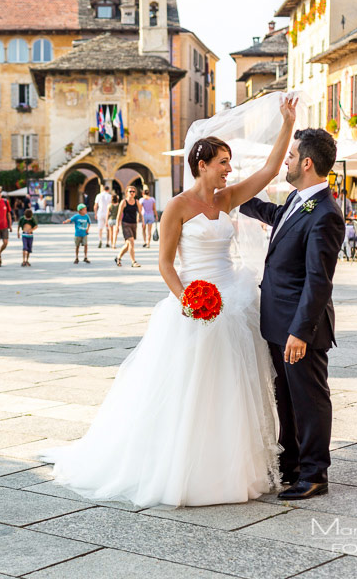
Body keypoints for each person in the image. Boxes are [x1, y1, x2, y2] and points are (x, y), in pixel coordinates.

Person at [41, 95, 298, 508]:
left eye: (229, 163)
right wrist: (188, 300)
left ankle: (231, 468)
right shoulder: (177, 206)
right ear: (202, 165)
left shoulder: (228, 199)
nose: (229, 169)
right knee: (189, 388)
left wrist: (287, 123)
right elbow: (164, 264)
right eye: (223, 162)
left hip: (233, 298)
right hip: (194, 305)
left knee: (233, 388)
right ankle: (182, 467)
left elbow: (269, 170)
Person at [239, 127, 344, 501]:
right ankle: (292, 464)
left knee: (310, 400)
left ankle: (315, 474)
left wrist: (300, 331)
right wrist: (235, 195)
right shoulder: (299, 201)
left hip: (301, 329)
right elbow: (270, 213)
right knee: (286, 397)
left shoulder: (326, 214)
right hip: (278, 324)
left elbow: (319, 281)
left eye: (291, 154)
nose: (286, 160)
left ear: (307, 162)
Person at [113, 186, 143, 267]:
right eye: (130, 191)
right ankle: (133, 262)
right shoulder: (124, 202)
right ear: (127, 192)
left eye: (133, 191)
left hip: (133, 224)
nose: (132, 193)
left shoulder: (137, 202)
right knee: (131, 241)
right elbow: (119, 214)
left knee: (128, 244)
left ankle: (118, 257)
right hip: (125, 224)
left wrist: (143, 222)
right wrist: (117, 226)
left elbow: (140, 213)